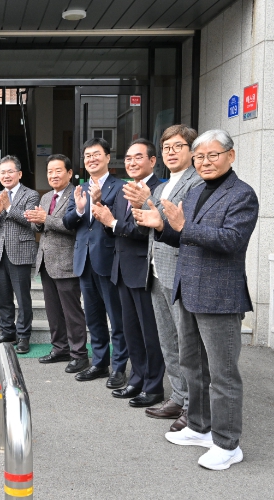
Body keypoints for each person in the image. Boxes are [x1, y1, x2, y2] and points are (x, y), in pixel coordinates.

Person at [134, 129, 258, 470]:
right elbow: (180, 236)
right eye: (200, 156)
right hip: (187, 289)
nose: (205, 162)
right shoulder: (196, 190)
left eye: (213, 155)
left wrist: (181, 227)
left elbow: (231, 240)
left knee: (223, 374)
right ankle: (200, 427)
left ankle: (228, 443)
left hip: (220, 296)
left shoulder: (242, 194)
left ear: (230, 156)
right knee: (192, 365)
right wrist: (161, 226)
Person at [132, 125, 202, 431]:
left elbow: (177, 224)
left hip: (181, 273)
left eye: (177, 146)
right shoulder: (161, 188)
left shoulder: (197, 182)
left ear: (192, 151)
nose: (171, 153)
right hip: (156, 271)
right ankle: (178, 396)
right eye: (166, 148)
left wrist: (149, 205)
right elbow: (148, 225)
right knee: (168, 340)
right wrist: (140, 206)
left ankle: (193, 406)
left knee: (187, 344)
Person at [92, 139, 164, 408]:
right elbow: (117, 227)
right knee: (131, 330)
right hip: (121, 269)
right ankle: (137, 379)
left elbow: (143, 231)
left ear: (152, 161)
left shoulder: (158, 190)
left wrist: (111, 222)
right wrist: (105, 217)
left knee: (149, 333)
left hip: (144, 271)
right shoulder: (126, 189)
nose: (132, 163)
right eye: (128, 158)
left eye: (138, 157)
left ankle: (154, 387)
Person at [63, 138, 128, 389]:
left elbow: (119, 222)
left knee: (116, 317)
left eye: (96, 154)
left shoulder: (120, 187)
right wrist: (80, 210)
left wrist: (101, 204)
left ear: (108, 157)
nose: (91, 159)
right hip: (84, 260)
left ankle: (119, 368)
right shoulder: (79, 188)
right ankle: (100, 363)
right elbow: (68, 222)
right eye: (87, 155)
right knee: (93, 317)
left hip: (109, 260)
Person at [24, 154, 88, 373]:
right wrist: (36, 221)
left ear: (69, 173)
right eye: (50, 171)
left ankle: (79, 354)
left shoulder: (76, 195)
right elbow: (41, 228)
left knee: (72, 312)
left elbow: (73, 226)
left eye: (58, 171)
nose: (53, 175)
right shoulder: (46, 197)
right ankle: (60, 348)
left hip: (66, 262)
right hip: (45, 261)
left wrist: (46, 220)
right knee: (53, 310)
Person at [0, 155, 40, 354]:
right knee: (3, 297)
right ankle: (7, 332)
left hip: (21, 252)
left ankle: (23, 335)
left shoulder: (31, 195)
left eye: (10, 171)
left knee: (23, 298)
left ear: (19, 174)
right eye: (2, 172)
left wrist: (8, 207)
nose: (6, 176)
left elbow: (30, 221)